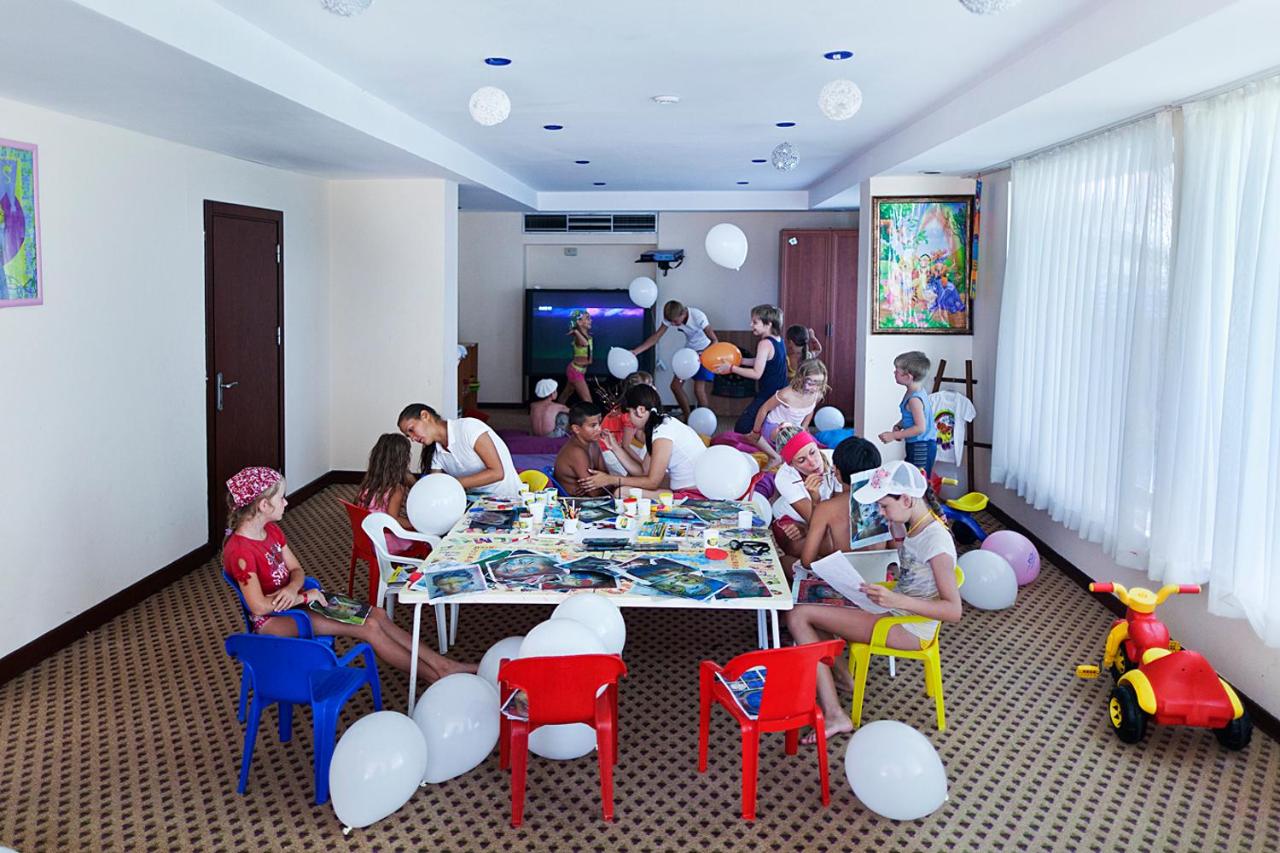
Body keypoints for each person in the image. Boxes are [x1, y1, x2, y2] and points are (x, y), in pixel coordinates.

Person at [221, 466, 474, 681]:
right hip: (273, 621)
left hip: (298, 602)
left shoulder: (272, 531)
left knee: (377, 614)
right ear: (264, 505)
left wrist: (292, 589)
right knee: (369, 627)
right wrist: (303, 597)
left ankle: (442, 665)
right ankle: (434, 675)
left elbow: (297, 569)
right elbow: (259, 607)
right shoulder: (240, 551)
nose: (286, 502)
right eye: (281, 498)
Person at [787, 459, 961, 741]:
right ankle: (843, 679)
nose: (881, 513)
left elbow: (953, 610)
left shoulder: (936, 542)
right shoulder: (914, 525)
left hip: (910, 628)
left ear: (907, 499)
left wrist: (896, 599)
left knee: (799, 615)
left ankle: (835, 713)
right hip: (896, 611)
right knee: (816, 608)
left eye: (884, 506)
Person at [578, 384, 707, 498]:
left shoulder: (663, 433)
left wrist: (610, 479)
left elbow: (652, 482)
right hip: (686, 486)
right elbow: (643, 472)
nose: (628, 419)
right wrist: (615, 447)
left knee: (621, 492)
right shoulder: (660, 425)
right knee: (630, 481)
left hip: (692, 493)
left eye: (629, 413)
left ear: (640, 410)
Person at [781, 437, 885, 577]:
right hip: (879, 578)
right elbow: (896, 548)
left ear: (836, 471)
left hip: (844, 580)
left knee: (783, 561)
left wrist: (816, 502)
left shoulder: (826, 508)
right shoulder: (887, 501)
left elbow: (807, 562)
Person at [397, 403, 522, 497]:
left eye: (411, 430)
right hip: (476, 506)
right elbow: (436, 489)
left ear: (425, 416)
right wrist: (410, 481)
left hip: (509, 499)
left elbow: (497, 473)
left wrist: (452, 483)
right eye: (408, 436)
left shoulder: (468, 428)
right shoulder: (435, 454)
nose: (412, 438)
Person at [631, 300, 719, 417]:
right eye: (671, 322)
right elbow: (656, 337)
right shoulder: (671, 317)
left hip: (706, 351)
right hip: (689, 354)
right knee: (675, 386)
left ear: (683, 313)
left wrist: (702, 354)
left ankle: (706, 420)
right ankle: (688, 417)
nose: (673, 324)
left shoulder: (698, 316)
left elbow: (715, 341)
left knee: (698, 389)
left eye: (675, 321)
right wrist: (636, 351)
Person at [768, 424, 842, 559]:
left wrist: (807, 529)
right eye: (802, 460)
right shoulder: (784, 477)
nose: (812, 463)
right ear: (791, 465)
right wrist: (815, 499)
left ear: (816, 445)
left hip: (819, 517)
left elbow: (840, 511)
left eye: (813, 452)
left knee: (835, 541)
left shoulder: (836, 459)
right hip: (792, 515)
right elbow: (820, 525)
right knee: (802, 548)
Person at [355, 433, 430, 558]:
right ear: (402, 460)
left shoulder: (369, 483)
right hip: (385, 543)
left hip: (367, 539)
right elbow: (394, 519)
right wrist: (416, 525)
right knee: (429, 539)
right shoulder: (396, 489)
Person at [718, 304, 788, 435]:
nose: (751, 325)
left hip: (769, 394)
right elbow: (762, 361)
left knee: (742, 428)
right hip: (780, 391)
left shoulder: (764, 343)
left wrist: (732, 368)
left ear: (768, 324)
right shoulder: (778, 340)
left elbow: (756, 374)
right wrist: (741, 361)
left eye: (755, 322)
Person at [747, 359, 829, 465]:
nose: (815, 387)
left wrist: (804, 427)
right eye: (810, 382)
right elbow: (764, 409)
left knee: (813, 451)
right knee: (793, 445)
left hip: (795, 428)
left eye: (818, 383)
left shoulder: (817, 394)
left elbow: (810, 410)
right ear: (801, 378)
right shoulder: (786, 394)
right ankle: (776, 457)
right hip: (775, 426)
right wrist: (756, 431)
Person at [878, 351, 937, 476]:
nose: (894, 372)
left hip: (921, 446)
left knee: (918, 480)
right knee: (911, 476)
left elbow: (920, 428)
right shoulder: (915, 392)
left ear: (908, 377)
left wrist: (894, 435)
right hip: (916, 444)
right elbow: (911, 416)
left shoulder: (914, 399)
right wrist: (900, 425)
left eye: (897, 371)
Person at [554, 401, 610, 497]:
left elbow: (605, 475)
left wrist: (608, 481)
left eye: (599, 423)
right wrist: (611, 482)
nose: (599, 429)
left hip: (590, 497)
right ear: (576, 429)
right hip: (576, 501)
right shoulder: (576, 452)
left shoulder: (594, 443)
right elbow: (593, 492)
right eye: (593, 425)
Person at [558, 309, 594, 404]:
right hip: (576, 371)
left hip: (579, 370)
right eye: (587, 318)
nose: (590, 320)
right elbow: (585, 344)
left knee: (566, 394)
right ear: (579, 322)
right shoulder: (579, 337)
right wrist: (576, 331)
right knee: (588, 401)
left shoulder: (587, 336)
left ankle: (557, 408)